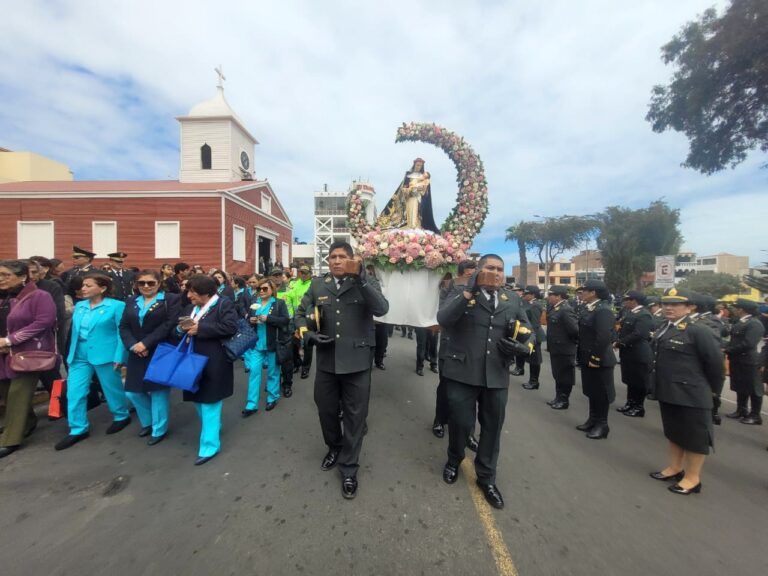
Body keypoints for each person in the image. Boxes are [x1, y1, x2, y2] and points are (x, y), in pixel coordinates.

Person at [295, 241, 389, 499]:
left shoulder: (365, 282)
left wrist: (361, 280)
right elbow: (300, 313)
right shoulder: (317, 285)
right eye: (332, 257)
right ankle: (334, 446)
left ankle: (349, 468)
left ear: (352, 259)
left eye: (342, 257)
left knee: (355, 416)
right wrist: (309, 334)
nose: (336, 261)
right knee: (325, 409)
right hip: (327, 361)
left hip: (357, 362)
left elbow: (382, 309)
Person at [437, 254, 530, 510]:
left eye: (499, 269)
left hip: (496, 374)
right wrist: (469, 292)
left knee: (492, 427)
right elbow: (443, 319)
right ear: (477, 271)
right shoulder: (458, 292)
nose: (496, 273)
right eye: (490, 268)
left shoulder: (511, 299)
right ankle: (454, 459)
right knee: (461, 422)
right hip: (462, 371)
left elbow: (526, 328)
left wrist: (525, 346)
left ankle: (486, 477)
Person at [650, 288, 724, 495]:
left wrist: (713, 393)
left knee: (695, 437)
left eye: (675, 304)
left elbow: (716, 366)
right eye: (666, 303)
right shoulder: (666, 326)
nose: (669, 308)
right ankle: (675, 468)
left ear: (690, 307)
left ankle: (692, 478)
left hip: (692, 392)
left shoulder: (699, 330)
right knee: (675, 432)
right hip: (669, 389)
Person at [54, 273, 132, 451]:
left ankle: (121, 415)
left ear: (102, 288)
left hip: (105, 354)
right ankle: (78, 428)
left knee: (111, 388)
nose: (83, 288)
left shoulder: (116, 306)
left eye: (88, 286)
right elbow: (73, 332)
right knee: (74, 391)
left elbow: (122, 332)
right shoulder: (80, 306)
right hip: (79, 355)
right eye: (83, 285)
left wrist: (120, 355)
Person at [177, 274, 238, 465]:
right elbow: (177, 329)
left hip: (214, 361)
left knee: (210, 402)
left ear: (204, 292)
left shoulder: (223, 304)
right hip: (190, 359)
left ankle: (209, 446)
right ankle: (213, 427)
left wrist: (201, 328)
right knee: (197, 399)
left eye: (192, 292)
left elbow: (230, 327)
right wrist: (181, 329)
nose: (188, 296)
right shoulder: (190, 308)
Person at [0, 260, 57, 457]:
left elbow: (44, 322)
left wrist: (10, 340)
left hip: (28, 353)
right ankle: (26, 422)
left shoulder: (40, 296)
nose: (1, 279)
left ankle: (11, 439)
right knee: (6, 391)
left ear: (23, 276)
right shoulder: (6, 297)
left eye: (6, 275)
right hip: (5, 353)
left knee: (18, 393)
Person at [119, 269, 181, 445]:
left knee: (158, 391)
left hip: (160, 350)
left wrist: (145, 343)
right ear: (136, 285)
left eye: (151, 283)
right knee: (132, 392)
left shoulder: (170, 300)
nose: (146, 286)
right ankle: (148, 421)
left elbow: (169, 324)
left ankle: (159, 428)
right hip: (136, 351)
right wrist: (133, 345)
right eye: (142, 283)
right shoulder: (131, 301)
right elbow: (123, 326)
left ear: (159, 283)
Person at [433, 260, 476, 437]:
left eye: (475, 273)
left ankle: (468, 431)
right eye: (469, 274)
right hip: (450, 345)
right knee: (445, 387)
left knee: (471, 392)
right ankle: (440, 420)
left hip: (472, 348)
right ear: (461, 274)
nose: (473, 277)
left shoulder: (484, 289)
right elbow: (445, 312)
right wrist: (464, 288)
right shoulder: (450, 286)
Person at [242, 278, 289, 416]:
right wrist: (251, 320)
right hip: (256, 345)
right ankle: (251, 404)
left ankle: (272, 397)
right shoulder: (254, 303)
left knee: (273, 373)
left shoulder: (279, 303)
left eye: (265, 289)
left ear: (272, 290)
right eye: (259, 289)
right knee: (254, 373)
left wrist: (269, 319)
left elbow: (285, 320)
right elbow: (249, 321)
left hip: (273, 343)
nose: (261, 291)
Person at [576, 279, 616, 440]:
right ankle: (592, 419)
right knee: (591, 391)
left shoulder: (603, 310)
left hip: (599, 359)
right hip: (588, 357)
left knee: (601, 393)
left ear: (593, 292)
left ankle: (602, 425)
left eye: (584, 290)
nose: (581, 293)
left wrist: (595, 357)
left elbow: (604, 336)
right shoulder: (590, 308)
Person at [724, 299, 765, 424]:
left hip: (748, 360)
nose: (734, 309)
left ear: (741, 309)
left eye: (736, 307)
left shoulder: (754, 324)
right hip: (738, 359)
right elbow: (734, 340)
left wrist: (729, 350)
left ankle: (755, 415)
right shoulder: (740, 322)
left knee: (754, 388)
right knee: (740, 386)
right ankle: (741, 410)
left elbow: (749, 343)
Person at [614, 291, 653, 418]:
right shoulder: (629, 312)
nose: (624, 302)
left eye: (627, 299)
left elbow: (639, 334)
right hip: (628, 352)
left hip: (638, 353)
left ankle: (638, 407)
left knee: (639, 382)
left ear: (634, 300)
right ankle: (630, 402)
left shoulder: (644, 314)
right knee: (630, 380)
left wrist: (619, 343)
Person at [376, 158, 439, 232]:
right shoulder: (408, 175)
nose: (418, 167)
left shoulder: (424, 177)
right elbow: (404, 187)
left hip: (418, 197)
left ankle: (415, 226)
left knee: (417, 211)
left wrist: (421, 189)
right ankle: (409, 226)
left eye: (420, 166)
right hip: (409, 197)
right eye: (417, 165)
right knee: (408, 211)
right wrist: (408, 190)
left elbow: (426, 190)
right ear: (414, 165)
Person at [544, 286, 578, 410]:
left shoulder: (565, 309)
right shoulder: (556, 308)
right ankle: (558, 397)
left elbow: (574, 330)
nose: (548, 297)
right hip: (556, 349)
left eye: (551, 295)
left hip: (565, 349)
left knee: (565, 376)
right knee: (558, 374)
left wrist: (567, 343)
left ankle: (564, 400)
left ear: (558, 296)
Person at [515, 286, 545, 389]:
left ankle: (534, 382)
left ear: (533, 295)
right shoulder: (527, 303)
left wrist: (532, 337)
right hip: (527, 334)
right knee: (530, 358)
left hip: (534, 335)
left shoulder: (535, 305)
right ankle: (530, 378)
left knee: (534, 360)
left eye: (527, 294)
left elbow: (535, 323)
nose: (524, 295)